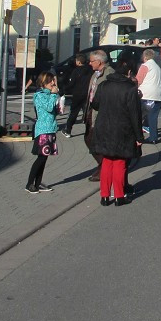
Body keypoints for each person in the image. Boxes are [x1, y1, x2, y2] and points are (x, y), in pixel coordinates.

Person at [89, 61, 141, 206]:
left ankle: (104, 196)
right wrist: (139, 136)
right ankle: (119, 195)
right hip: (123, 129)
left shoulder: (104, 85)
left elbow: (95, 104)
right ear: (129, 73)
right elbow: (135, 114)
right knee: (120, 161)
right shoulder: (130, 88)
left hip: (104, 126)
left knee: (106, 161)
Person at [26, 71, 60, 193]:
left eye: (53, 80)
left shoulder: (51, 94)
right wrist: (53, 95)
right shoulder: (40, 95)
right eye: (50, 81)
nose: (53, 83)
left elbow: (54, 110)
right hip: (43, 129)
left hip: (51, 128)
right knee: (40, 158)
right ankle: (29, 184)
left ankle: (38, 183)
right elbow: (49, 107)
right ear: (43, 82)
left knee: (44, 158)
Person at [84, 50, 115, 182]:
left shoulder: (109, 73)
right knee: (88, 138)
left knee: (95, 140)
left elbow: (110, 95)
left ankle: (104, 167)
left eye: (92, 61)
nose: (90, 63)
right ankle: (103, 165)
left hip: (101, 112)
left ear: (99, 61)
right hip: (91, 110)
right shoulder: (96, 73)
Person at [136, 48, 161, 144]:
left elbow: (138, 80)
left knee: (139, 116)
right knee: (153, 117)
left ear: (145, 56)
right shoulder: (157, 67)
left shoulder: (145, 66)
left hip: (146, 95)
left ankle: (139, 136)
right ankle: (153, 137)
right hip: (157, 95)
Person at [62, 54, 92, 137]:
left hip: (77, 94)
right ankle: (90, 131)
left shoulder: (76, 71)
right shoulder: (90, 69)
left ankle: (68, 130)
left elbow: (71, 83)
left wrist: (65, 90)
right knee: (87, 113)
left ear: (78, 62)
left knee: (73, 113)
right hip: (87, 94)